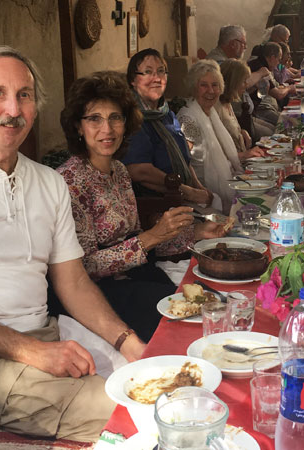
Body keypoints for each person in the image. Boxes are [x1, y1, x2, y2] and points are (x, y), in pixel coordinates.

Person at [0, 46, 145, 442]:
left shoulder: (48, 182)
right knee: (131, 411)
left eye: (24, 95)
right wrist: (33, 352)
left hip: (45, 336)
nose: (13, 108)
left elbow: (72, 282)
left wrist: (128, 341)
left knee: (155, 376)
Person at [57, 71, 225, 342]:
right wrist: (152, 236)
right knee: (190, 323)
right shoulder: (69, 181)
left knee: (213, 301)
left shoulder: (120, 171)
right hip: (98, 295)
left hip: (136, 275)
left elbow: (140, 241)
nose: (107, 129)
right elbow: (84, 267)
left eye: (115, 118)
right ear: (78, 126)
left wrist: (196, 233)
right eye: (94, 119)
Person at [122, 48, 212, 207]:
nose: (156, 78)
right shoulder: (132, 118)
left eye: (161, 71)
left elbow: (183, 158)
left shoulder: (166, 113)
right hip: (156, 205)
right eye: (147, 72)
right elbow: (139, 171)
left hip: (182, 196)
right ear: (133, 80)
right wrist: (189, 193)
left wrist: (199, 188)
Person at [177, 60, 243, 214]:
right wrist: (201, 192)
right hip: (205, 196)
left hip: (222, 185)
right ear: (194, 88)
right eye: (204, 85)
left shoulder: (211, 113)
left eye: (215, 85)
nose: (210, 91)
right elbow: (184, 160)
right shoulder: (189, 119)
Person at [216, 59, 266, 160]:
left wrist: (242, 132)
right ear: (233, 82)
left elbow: (230, 131)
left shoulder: (228, 103)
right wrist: (245, 154)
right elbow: (217, 155)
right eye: (243, 81)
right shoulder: (216, 108)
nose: (246, 85)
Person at [247, 42, 296, 128]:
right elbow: (278, 94)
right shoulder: (262, 68)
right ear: (272, 58)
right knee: (287, 123)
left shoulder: (259, 63)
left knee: (290, 118)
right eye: (279, 59)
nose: (278, 64)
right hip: (258, 110)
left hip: (258, 108)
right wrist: (289, 88)